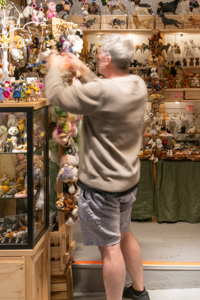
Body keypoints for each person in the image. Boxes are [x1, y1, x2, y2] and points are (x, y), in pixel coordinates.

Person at [46, 34, 150, 300]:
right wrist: (83, 70)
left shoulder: (102, 91)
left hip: (102, 187)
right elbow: (105, 93)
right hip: (127, 180)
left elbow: (57, 96)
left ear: (108, 59)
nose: (96, 55)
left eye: (100, 53)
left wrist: (54, 67)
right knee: (123, 234)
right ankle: (139, 292)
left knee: (110, 248)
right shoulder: (137, 84)